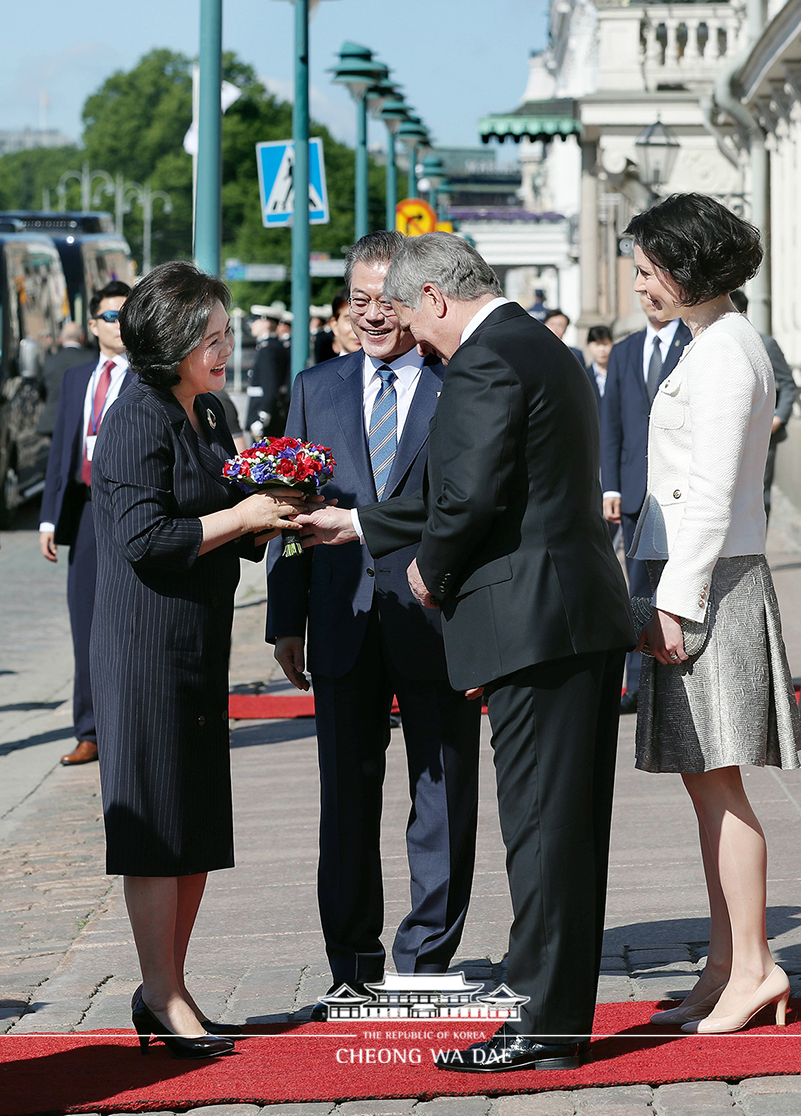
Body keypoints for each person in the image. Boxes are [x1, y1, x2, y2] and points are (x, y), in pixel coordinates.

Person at [295, 232, 634, 1072]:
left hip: (531, 623)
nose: (411, 334)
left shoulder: (484, 359)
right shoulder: (539, 346)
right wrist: (364, 523)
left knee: (543, 834)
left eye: (410, 315)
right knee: (567, 830)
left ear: (438, 300)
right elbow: (487, 482)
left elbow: (471, 493)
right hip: (568, 617)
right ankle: (556, 1018)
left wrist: (428, 571)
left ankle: (541, 1030)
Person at [89, 261, 305, 1059]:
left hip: (197, 640)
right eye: (212, 338)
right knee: (157, 825)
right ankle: (164, 994)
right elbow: (144, 538)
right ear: (174, 341)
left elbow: (220, 513)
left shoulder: (207, 412)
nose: (226, 349)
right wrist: (243, 514)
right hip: (146, 646)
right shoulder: (137, 417)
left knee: (197, 823)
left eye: (225, 335)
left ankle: (168, 986)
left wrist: (275, 513)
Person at [266, 231, 481, 1018]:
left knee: (445, 791)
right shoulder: (316, 386)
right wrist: (285, 620)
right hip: (342, 616)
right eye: (359, 300)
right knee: (346, 799)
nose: (373, 315)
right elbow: (289, 505)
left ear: (418, 299)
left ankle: (424, 959)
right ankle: (351, 962)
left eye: (388, 299)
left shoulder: (456, 380)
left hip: (436, 617)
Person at [627, 194, 801, 1035]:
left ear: (688, 266)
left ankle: (757, 965)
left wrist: (675, 601)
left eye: (648, 269)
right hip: (700, 580)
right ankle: (731, 960)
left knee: (722, 784)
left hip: (711, 585)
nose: (640, 285)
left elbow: (710, 494)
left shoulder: (729, 350)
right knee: (707, 785)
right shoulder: (714, 344)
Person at [39, 281, 133, 766]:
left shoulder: (148, 376)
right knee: (86, 623)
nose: (118, 325)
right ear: (93, 324)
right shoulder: (79, 377)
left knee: (131, 624)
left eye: (126, 314)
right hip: (87, 509)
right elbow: (62, 452)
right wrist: (49, 519)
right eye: (109, 317)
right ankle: (89, 730)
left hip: (134, 509)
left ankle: (129, 725)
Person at [600, 290, 691, 714]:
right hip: (636, 492)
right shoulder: (624, 350)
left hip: (682, 490)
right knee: (637, 592)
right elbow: (611, 422)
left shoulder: (693, 343)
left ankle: (684, 676)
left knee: (682, 585)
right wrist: (611, 488)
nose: (644, 293)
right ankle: (636, 683)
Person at [730, 289, 797, 522]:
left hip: (763, 434)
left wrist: (777, 420)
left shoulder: (765, 344)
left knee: (760, 495)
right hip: (728, 433)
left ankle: (758, 553)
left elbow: (788, 384)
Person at [37, 320, 97, 436]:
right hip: (83, 421)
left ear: (61, 338)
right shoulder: (92, 358)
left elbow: (42, 390)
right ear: (82, 337)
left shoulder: (49, 361)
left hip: (53, 421)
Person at [245, 308, 289, 439]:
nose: (251, 324)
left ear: (266, 323)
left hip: (264, 415)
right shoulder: (270, 346)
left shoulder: (268, 349)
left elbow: (270, 387)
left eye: (255, 320)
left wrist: (262, 417)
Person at [585, 324, 613, 418]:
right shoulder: (584, 376)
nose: (602, 349)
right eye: (597, 344)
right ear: (588, 345)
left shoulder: (619, 374)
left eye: (605, 344)